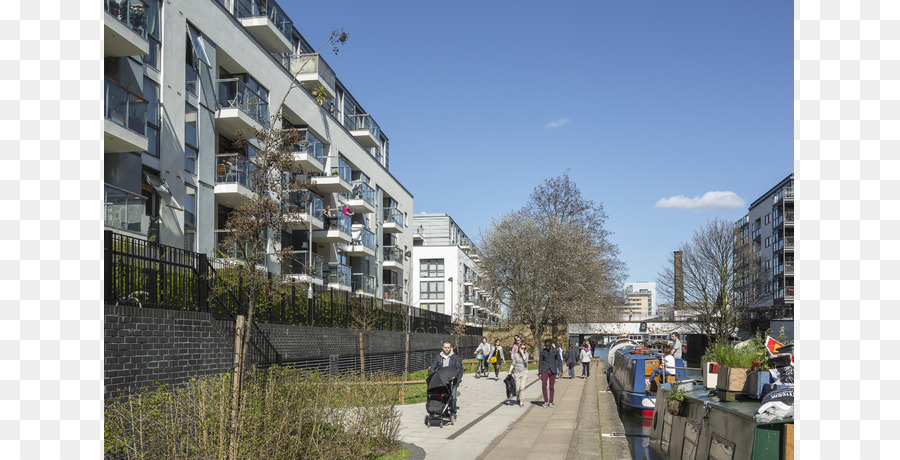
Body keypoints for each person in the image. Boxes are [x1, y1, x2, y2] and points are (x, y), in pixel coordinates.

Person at [430, 341, 463, 420]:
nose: (447, 349)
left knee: (453, 397)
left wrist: (454, 375)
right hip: (442, 380)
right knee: (443, 397)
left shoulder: (454, 357)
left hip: (452, 381)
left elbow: (458, 368)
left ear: (450, 348)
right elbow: (433, 367)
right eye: (445, 347)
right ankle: (444, 412)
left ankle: (453, 412)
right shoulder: (439, 357)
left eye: (448, 347)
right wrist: (434, 375)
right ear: (442, 347)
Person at [538, 339, 562, 407]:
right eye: (546, 345)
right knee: (544, 386)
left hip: (553, 370)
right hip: (545, 370)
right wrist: (540, 372)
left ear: (551, 344)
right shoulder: (542, 351)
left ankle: (551, 401)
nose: (548, 347)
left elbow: (559, 360)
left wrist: (560, 369)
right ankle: (546, 401)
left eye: (549, 345)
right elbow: (540, 362)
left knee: (551, 387)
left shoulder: (555, 351)